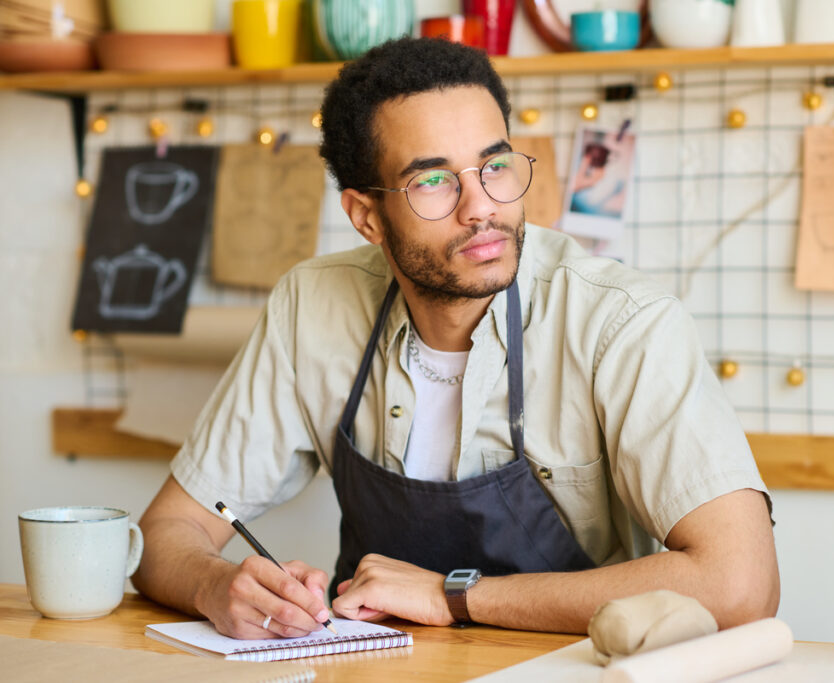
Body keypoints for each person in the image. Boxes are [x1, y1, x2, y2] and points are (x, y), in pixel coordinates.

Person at [132, 37, 779, 639]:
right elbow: (166, 531)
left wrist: (453, 596)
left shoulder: (621, 322)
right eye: (434, 181)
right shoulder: (312, 306)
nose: (481, 207)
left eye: (494, 165)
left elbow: (741, 581)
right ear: (366, 217)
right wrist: (221, 586)